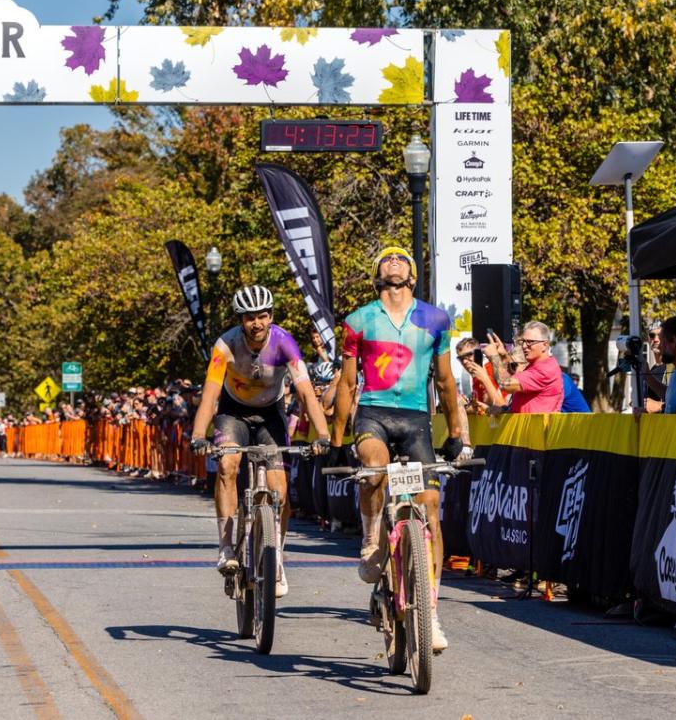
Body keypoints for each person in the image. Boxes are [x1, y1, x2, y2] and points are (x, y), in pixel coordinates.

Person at [330, 246, 466, 652]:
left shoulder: (435, 319)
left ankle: (431, 611)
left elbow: (444, 382)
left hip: (415, 421)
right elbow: (347, 385)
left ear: (411, 274)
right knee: (373, 465)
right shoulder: (358, 321)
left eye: (400, 257)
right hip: (373, 414)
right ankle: (371, 539)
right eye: (385, 258)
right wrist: (337, 441)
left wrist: (457, 431)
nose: (393, 259)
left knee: (430, 508)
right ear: (377, 275)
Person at [190, 285, 331, 599]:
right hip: (233, 412)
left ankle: (275, 556)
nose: (257, 323)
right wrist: (198, 435)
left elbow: (307, 392)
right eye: (250, 317)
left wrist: (323, 435)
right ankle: (226, 546)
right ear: (241, 320)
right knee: (227, 464)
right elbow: (210, 394)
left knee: (279, 488)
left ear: (271, 316)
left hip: (271, 413)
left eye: (263, 316)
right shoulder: (225, 345)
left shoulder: (285, 343)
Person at [485, 322, 565, 413]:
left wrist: (494, 357)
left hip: (538, 427)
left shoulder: (545, 369)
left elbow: (505, 384)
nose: (524, 346)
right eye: (523, 341)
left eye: (530, 342)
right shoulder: (535, 366)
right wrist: (503, 356)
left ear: (545, 345)